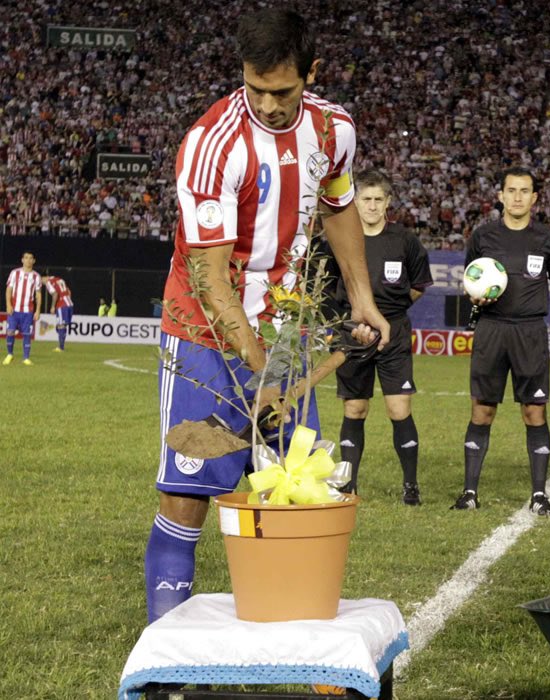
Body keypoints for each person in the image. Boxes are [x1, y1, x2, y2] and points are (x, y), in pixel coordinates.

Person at [145, 8, 390, 623]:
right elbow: (209, 277)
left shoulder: (334, 130)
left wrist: (362, 297)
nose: (269, 104)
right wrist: (262, 370)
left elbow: (337, 208)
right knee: (189, 492)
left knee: (295, 486)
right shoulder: (212, 144)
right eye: (256, 88)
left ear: (311, 73)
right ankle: (165, 654)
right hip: (204, 328)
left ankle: (292, 629)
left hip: (286, 327)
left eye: (283, 90)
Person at [451, 166, 550, 516]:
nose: (518, 196)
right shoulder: (483, 236)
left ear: (535, 198)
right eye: (512, 190)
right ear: (501, 196)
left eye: (525, 191)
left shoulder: (548, 239)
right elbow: (471, 279)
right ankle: (469, 492)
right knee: (482, 410)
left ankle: (539, 496)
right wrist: (474, 297)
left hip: (531, 332)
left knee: (534, 412)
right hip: (491, 329)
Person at [331, 169, 433, 505]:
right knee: (355, 408)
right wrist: (348, 322)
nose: (372, 206)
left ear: (388, 202)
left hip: (395, 333)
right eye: (366, 199)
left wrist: (390, 311)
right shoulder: (340, 240)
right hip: (352, 333)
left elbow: (418, 286)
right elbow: (327, 290)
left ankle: (410, 485)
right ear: (355, 202)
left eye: (378, 199)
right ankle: (348, 484)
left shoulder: (405, 241)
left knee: (398, 408)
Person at [4, 251, 42, 366]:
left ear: (34, 261)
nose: (28, 260)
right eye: (26, 258)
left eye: (30, 258)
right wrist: (8, 305)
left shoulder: (36, 276)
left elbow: (38, 294)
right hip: (14, 309)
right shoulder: (14, 273)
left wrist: (38, 310)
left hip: (28, 311)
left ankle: (26, 358)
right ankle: (10, 354)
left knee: (26, 334)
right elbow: (9, 290)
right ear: (22, 260)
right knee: (10, 332)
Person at [43, 275, 74, 351]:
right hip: (69, 304)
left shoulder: (48, 282)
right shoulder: (59, 279)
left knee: (60, 326)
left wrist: (53, 306)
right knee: (62, 326)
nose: (42, 283)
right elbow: (69, 291)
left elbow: (55, 294)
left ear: (45, 278)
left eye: (42, 281)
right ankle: (61, 345)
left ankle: (61, 347)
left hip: (61, 305)